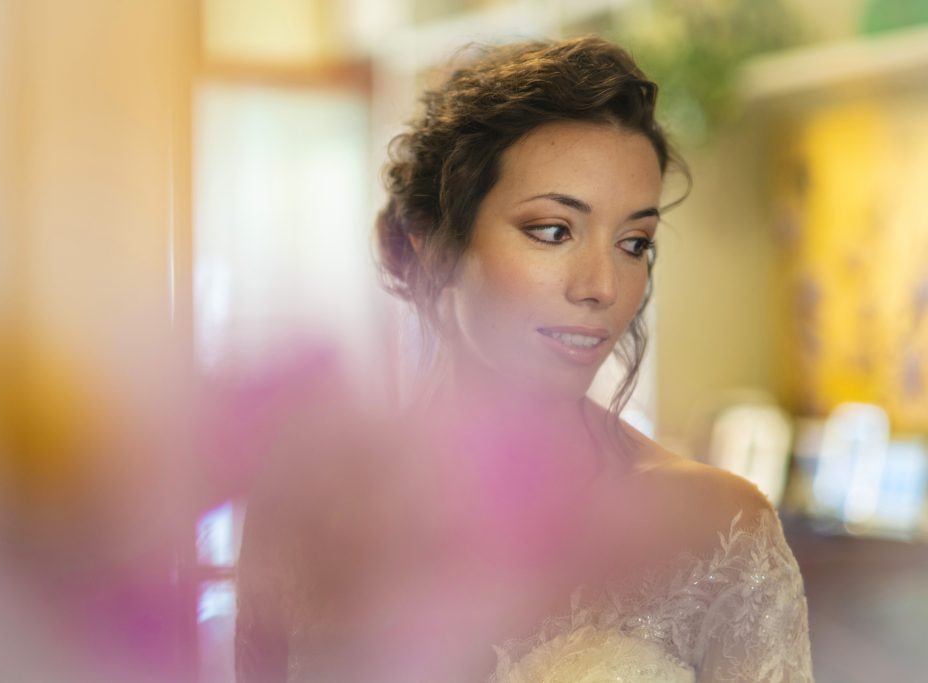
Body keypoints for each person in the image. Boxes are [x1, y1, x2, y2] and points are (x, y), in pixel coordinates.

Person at [236, 36, 813, 682]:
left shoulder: (718, 530)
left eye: (634, 242)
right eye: (553, 231)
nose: (601, 285)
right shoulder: (309, 509)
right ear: (435, 248)